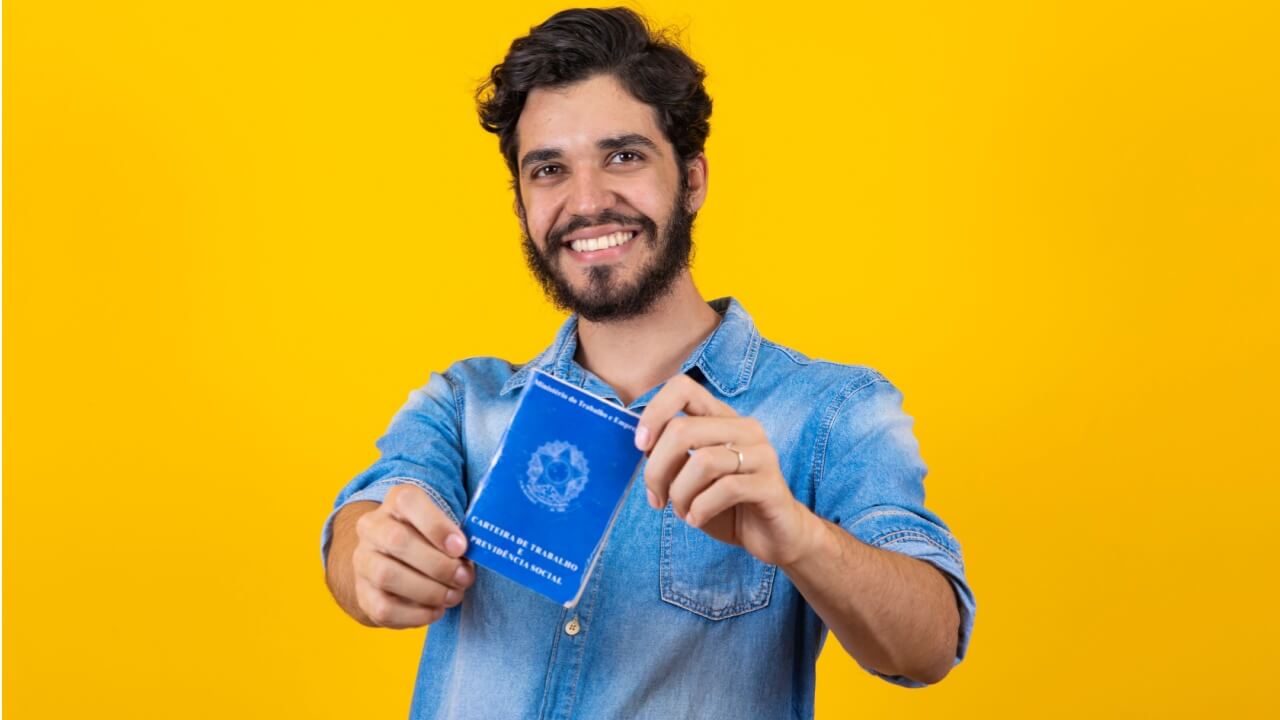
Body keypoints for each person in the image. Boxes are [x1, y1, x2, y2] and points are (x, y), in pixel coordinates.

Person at [321, 7, 975, 718]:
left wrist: (799, 535)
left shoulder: (834, 411)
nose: (588, 201)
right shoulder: (465, 403)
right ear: (521, 205)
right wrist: (371, 555)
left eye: (623, 156)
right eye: (548, 170)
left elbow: (929, 643)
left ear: (692, 180)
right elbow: (366, 514)